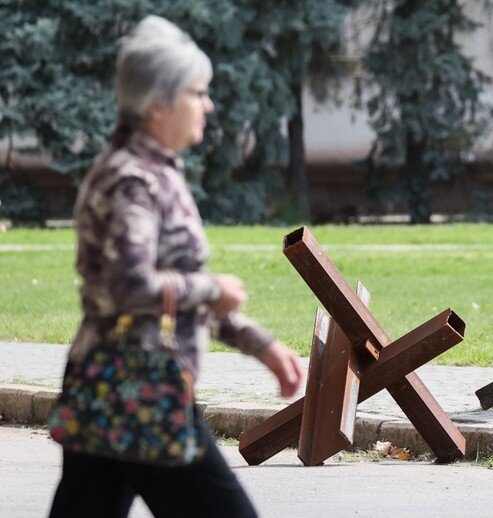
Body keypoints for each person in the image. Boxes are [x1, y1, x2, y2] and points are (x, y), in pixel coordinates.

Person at [49, 16, 305, 517]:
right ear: (157, 103)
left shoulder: (151, 171)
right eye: (197, 93)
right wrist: (209, 289)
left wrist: (263, 347)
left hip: (112, 384)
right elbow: (133, 285)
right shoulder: (133, 181)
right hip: (138, 388)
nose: (207, 105)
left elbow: (172, 290)